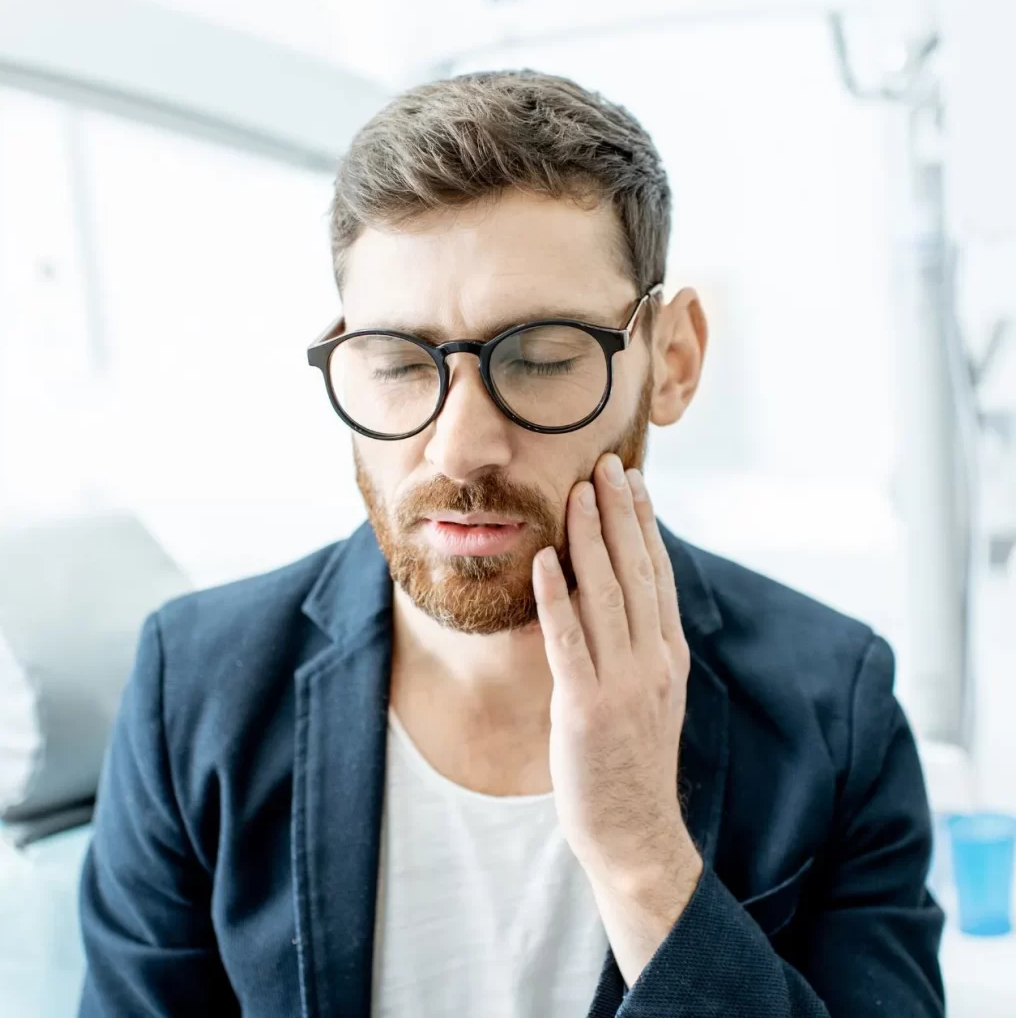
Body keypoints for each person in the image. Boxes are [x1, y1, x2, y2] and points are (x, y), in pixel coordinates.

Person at [78, 70, 945, 1017]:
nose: (459, 446)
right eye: (401, 363)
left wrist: (646, 860)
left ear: (673, 360)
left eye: (539, 358)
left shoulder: (834, 710)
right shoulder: (191, 689)